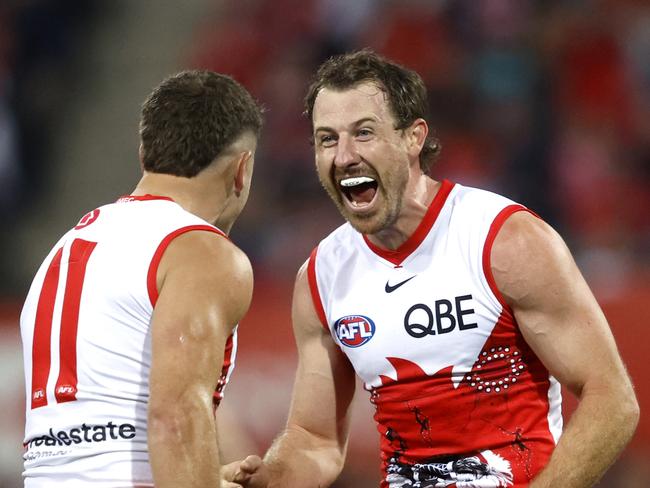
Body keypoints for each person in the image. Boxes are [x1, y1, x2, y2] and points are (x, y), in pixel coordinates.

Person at [224, 50, 639, 487]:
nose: (343, 155)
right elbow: (315, 440)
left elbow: (612, 401)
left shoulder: (504, 241)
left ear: (413, 137)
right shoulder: (320, 277)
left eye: (363, 133)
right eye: (327, 139)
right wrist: (270, 477)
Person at [20, 70, 263, 487]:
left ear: (143, 154)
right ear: (242, 169)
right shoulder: (202, 253)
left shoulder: (67, 246)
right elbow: (175, 418)